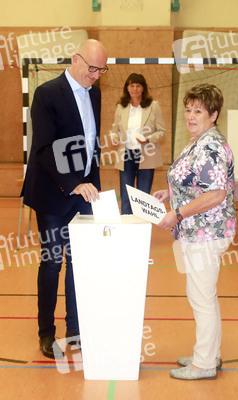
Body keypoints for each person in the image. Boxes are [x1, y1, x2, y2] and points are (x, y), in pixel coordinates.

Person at [21, 39, 108, 358]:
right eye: (92, 68)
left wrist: (92, 185)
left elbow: (91, 144)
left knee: (79, 262)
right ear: (75, 59)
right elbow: (43, 149)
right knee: (52, 261)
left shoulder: (95, 93)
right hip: (54, 194)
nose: (97, 75)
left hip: (84, 192)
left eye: (102, 69)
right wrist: (73, 184)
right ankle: (46, 332)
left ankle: (75, 329)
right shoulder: (46, 94)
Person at [154, 83, 237, 380]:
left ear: (213, 114)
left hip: (206, 232)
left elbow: (215, 194)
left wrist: (176, 214)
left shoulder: (211, 145)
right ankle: (209, 354)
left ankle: (203, 364)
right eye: (188, 110)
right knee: (204, 296)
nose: (191, 115)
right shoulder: (198, 140)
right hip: (198, 231)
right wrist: (170, 193)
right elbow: (195, 183)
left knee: (201, 297)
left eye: (198, 111)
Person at [111, 73, 165, 214]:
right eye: (132, 85)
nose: (135, 89)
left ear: (143, 88)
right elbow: (114, 129)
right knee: (126, 195)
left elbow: (162, 132)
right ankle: (126, 226)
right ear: (127, 88)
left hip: (146, 155)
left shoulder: (154, 106)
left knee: (143, 196)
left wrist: (148, 139)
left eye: (138, 86)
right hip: (126, 155)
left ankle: (142, 226)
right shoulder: (120, 107)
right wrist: (114, 137)